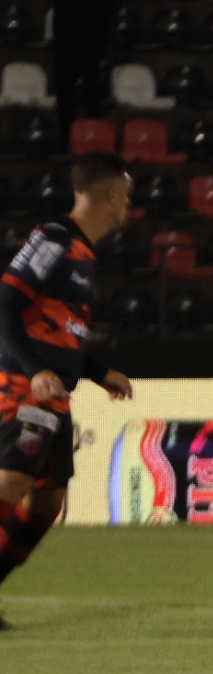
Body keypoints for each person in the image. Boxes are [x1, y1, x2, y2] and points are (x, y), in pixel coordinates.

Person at [0, 153, 135, 629]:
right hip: (24, 386)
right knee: (10, 483)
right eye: (126, 197)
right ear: (114, 196)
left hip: (55, 393)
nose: (128, 208)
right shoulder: (53, 239)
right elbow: (6, 303)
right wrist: (34, 369)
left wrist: (99, 372)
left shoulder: (83, 254)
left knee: (48, 500)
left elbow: (63, 329)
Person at [52, 0, 117, 137]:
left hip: (93, 50)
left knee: (93, 100)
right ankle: (65, 142)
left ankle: (91, 141)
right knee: (64, 99)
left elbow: (110, 18)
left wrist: (102, 48)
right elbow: (58, 18)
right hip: (68, 51)